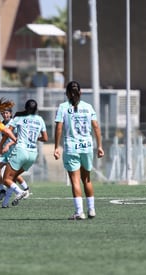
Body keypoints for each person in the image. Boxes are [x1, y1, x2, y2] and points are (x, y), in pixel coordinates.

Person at [53, 81, 105, 220]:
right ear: (80, 92)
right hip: (87, 146)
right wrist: (99, 146)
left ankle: (79, 212)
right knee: (87, 179)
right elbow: (96, 127)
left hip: (71, 147)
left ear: (67, 93)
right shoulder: (88, 107)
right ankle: (92, 210)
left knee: (75, 181)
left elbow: (58, 128)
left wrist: (56, 147)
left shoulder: (63, 107)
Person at [0, 99, 48, 207]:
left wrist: (2, 146)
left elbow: (8, 132)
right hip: (32, 154)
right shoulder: (40, 119)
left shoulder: (19, 117)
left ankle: (21, 192)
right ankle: (5, 203)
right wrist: (35, 138)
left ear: (25, 108)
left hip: (21, 151)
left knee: (6, 179)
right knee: (13, 178)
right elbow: (45, 138)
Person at [0, 107, 30, 204]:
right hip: (4, 152)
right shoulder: (1, 124)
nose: (5, 115)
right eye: (3, 113)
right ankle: (2, 191)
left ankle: (26, 189)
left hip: (14, 151)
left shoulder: (15, 123)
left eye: (6, 113)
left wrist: (9, 145)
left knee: (13, 175)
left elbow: (18, 137)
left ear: (10, 114)